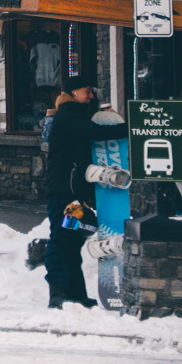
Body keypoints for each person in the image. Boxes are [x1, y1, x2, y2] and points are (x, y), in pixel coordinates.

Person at [38, 74, 105, 310]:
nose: (90, 96)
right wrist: (129, 128)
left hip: (71, 191)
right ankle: (58, 292)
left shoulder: (71, 113)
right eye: (87, 91)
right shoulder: (68, 114)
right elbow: (95, 133)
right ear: (74, 92)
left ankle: (75, 294)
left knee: (70, 238)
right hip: (63, 192)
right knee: (60, 238)